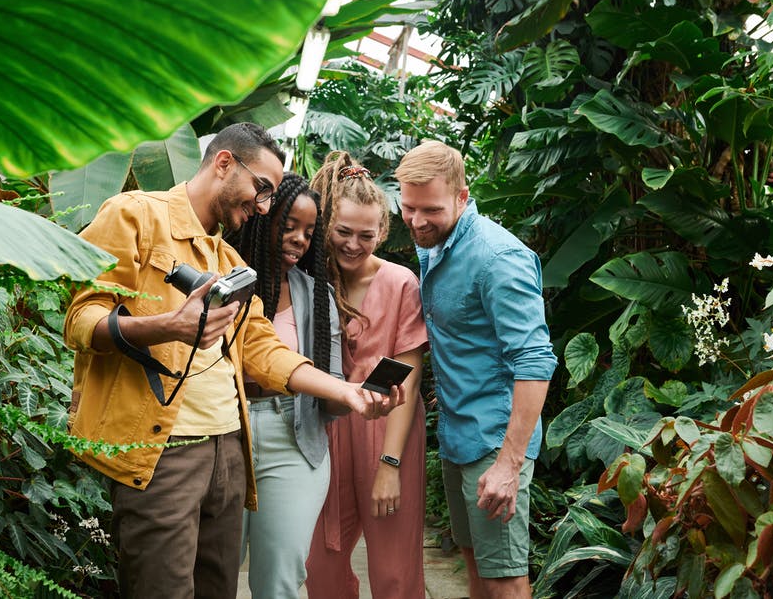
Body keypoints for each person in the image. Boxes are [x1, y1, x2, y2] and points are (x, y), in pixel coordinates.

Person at [63, 123, 402, 599]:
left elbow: (262, 349)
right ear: (224, 163)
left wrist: (345, 390)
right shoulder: (134, 214)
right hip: (164, 453)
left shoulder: (228, 259)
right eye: (261, 189)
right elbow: (81, 319)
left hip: (228, 450)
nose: (263, 206)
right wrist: (167, 326)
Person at [395, 140, 557, 599]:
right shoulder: (435, 244)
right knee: (475, 567)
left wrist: (509, 464)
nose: (417, 221)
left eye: (431, 209)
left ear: (463, 197)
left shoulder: (498, 258)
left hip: (494, 441)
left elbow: (534, 361)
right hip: (456, 434)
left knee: (505, 582)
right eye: (408, 207)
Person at [305, 152, 429, 599]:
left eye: (366, 234)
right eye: (342, 232)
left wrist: (390, 466)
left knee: (395, 572)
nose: (353, 244)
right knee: (320, 566)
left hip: (386, 430)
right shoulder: (311, 281)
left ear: (382, 232)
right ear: (326, 228)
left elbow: (408, 379)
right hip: (324, 428)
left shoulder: (400, 284)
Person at [227, 171, 344, 598]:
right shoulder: (221, 280)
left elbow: (332, 387)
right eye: (289, 225)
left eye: (309, 232)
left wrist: (358, 396)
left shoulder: (317, 295)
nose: (299, 239)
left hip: (292, 438)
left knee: (279, 580)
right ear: (261, 218)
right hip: (224, 434)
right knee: (213, 573)